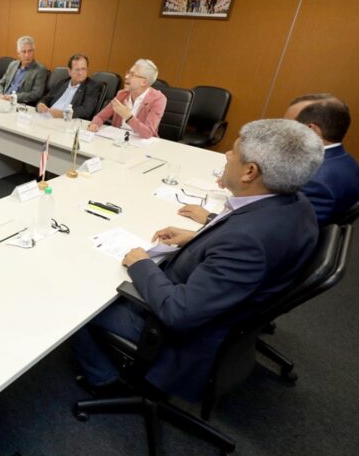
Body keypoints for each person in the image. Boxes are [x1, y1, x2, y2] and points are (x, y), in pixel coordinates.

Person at [74, 119, 324, 402]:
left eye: (233, 152)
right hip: (218, 305)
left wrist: (141, 262)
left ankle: (103, 379)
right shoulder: (296, 205)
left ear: (250, 172)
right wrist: (198, 238)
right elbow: (238, 242)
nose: (227, 156)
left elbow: (179, 313)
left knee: (79, 300)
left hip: (177, 334)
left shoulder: (248, 242)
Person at [179, 93, 359, 226]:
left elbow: (277, 230)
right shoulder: (344, 162)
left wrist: (212, 218)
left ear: (311, 130)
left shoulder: (315, 180)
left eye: (286, 126)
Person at [88, 58, 166, 138]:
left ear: (144, 82)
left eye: (132, 74)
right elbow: (100, 116)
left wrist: (128, 116)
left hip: (141, 144)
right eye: (128, 72)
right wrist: (95, 124)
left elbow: (148, 133)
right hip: (118, 139)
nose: (126, 76)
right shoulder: (122, 94)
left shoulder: (158, 100)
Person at [36, 53, 101, 119]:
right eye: (77, 69)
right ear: (69, 71)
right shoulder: (62, 83)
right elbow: (46, 98)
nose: (80, 73)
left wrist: (62, 114)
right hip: (47, 117)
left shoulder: (92, 87)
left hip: (66, 121)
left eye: (83, 69)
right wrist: (40, 105)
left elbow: (86, 111)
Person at [0, 36, 48, 106]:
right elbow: (1, 83)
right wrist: (0, 95)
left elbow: (36, 94)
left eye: (30, 51)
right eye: (24, 52)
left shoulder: (40, 70)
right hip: (3, 101)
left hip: (19, 105)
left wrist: (13, 97)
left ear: (34, 52)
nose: (27, 55)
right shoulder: (12, 65)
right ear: (18, 54)